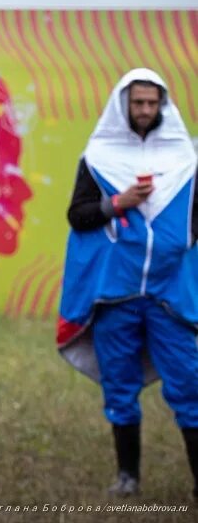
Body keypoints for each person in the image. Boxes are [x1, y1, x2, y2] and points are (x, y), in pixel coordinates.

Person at [57, 68, 198, 499]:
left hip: (169, 296)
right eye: (137, 103)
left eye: (152, 103)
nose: (144, 110)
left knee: (190, 386)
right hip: (114, 296)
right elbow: (78, 216)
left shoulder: (186, 160)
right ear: (123, 105)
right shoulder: (98, 158)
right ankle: (128, 477)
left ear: (164, 105)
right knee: (119, 385)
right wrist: (119, 202)